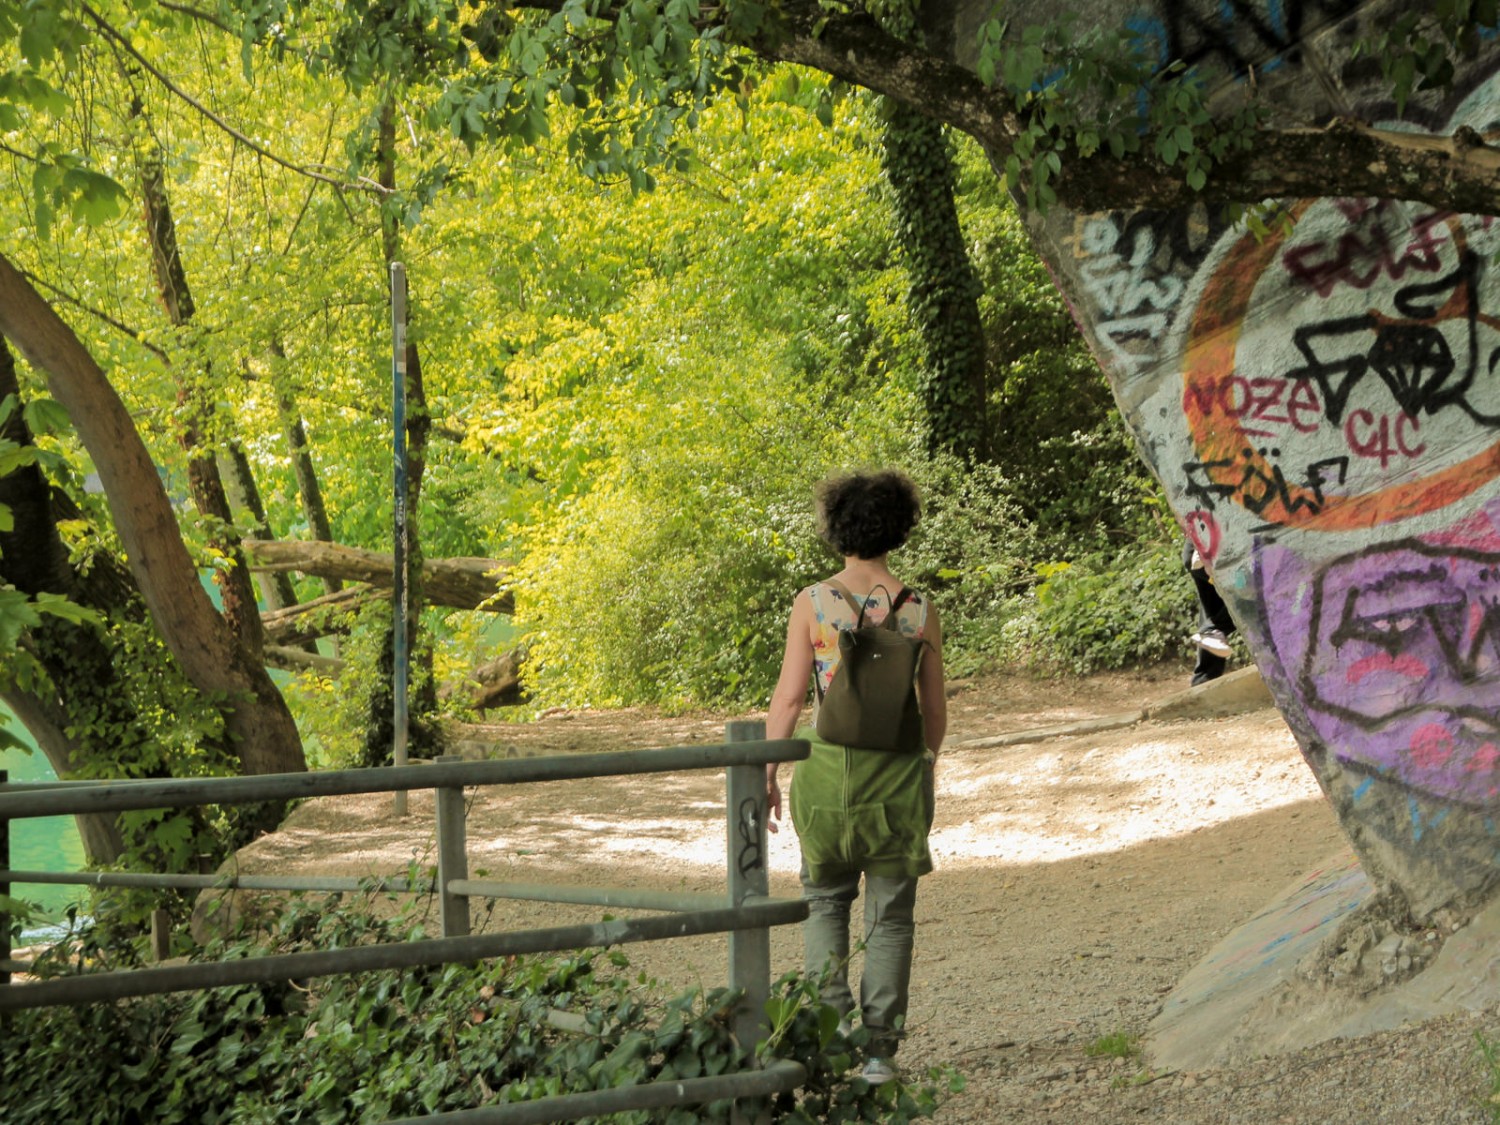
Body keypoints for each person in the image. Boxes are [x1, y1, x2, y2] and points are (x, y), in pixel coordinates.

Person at [765, 469, 947, 1087]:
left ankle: (833, 1039)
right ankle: (879, 1055)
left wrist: (766, 772)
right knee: (891, 918)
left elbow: (789, 702)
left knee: (824, 904)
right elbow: (934, 713)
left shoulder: (812, 604)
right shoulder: (920, 609)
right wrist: (924, 771)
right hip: (895, 777)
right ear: (897, 527)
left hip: (824, 777)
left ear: (836, 527)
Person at [1184, 538, 1235, 685]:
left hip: (1196, 552)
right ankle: (1215, 629)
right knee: (1250, 591)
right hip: (1214, 554)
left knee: (1212, 607)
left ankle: (1204, 679)